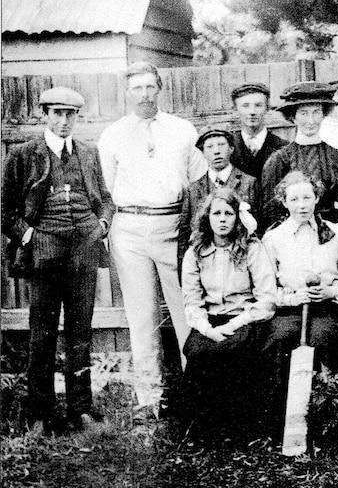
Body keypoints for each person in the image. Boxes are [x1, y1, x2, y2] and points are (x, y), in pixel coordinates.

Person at [2, 87, 115, 436]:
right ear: (45, 115)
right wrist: (30, 236)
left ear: (77, 117)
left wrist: (102, 224)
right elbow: (5, 209)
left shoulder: (88, 153)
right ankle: (40, 413)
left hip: (83, 249)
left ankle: (81, 410)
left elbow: (106, 199)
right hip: (44, 253)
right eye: (57, 114)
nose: (64, 121)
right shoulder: (24, 155)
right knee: (42, 334)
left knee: (81, 332)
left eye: (70, 115)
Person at [98, 61, 207, 416]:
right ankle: (149, 397)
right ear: (127, 93)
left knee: (185, 311)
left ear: (160, 88)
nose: (144, 95)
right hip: (129, 229)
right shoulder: (113, 134)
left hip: (173, 226)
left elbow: (197, 185)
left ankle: (196, 392)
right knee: (141, 315)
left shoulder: (182, 129)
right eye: (136, 89)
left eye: (149, 87)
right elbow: (106, 190)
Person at [180, 189, 277, 440]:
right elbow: (191, 302)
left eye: (229, 213)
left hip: (246, 317)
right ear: (207, 218)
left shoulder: (252, 249)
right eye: (217, 213)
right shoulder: (194, 253)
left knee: (234, 350)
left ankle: (240, 430)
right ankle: (202, 431)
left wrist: (235, 323)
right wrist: (208, 329)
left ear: (237, 218)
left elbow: (266, 299)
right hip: (210, 320)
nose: (222, 219)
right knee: (197, 351)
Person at [261, 171, 338, 440]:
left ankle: (326, 423)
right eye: (294, 199)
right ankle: (282, 424)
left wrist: (331, 291)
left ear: (317, 198)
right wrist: (291, 298)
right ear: (284, 202)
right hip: (290, 308)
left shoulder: (337, 232)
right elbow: (265, 289)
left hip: (328, 306)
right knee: (279, 340)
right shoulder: (274, 238)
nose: (302, 205)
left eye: (307, 197)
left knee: (322, 339)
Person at [261, 82, 338, 229]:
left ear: (324, 114)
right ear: (293, 117)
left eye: (316, 112)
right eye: (304, 113)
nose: (311, 121)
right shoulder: (279, 159)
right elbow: (269, 211)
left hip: (332, 234)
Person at [178, 127, 259, 265]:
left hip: (241, 260)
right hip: (205, 262)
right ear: (203, 153)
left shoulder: (249, 183)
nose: (216, 151)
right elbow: (185, 234)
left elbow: (258, 229)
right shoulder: (193, 190)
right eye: (209, 147)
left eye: (221, 145)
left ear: (232, 148)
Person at [229, 83, 289, 180]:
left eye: (258, 105)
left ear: (267, 108)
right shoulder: (227, 147)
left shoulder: (283, 147)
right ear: (235, 110)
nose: (252, 112)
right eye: (245, 106)